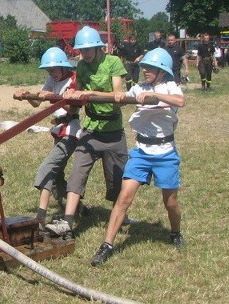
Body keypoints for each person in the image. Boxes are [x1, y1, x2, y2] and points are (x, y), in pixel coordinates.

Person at [90, 48, 186, 266]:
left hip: (165, 153)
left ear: (162, 71)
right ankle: (107, 244)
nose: (145, 71)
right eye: (144, 67)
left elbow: (180, 102)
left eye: (150, 68)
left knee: (170, 202)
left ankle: (175, 232)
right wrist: (110, 96)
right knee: (124, 197)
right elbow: (120, 98)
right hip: (141, 152)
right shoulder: (139, 88)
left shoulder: (170, 86)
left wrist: (155, 96)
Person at [45, 26, 132, 239]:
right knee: (77, 174)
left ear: (97, 47)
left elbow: (117, 95)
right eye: (81, 50)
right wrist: (67, 99)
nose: (84, 53)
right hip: (90, 130)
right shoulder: (82, 66)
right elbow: (78, 95)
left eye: (88, 49)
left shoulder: (113, 63)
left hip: (113, 132)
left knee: (116, 180)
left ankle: (119, 215)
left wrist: (89, 92)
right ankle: (67, 222)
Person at [13, 47, 83, 231]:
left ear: (62, 67)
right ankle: (79, 208)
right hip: (58, 129)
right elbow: (38, 101)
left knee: (48, 167)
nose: (50, 74)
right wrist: (26, 94)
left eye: (52, 70)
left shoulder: (74, 80)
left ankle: (40, 218)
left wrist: (52, 96)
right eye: (48, 71)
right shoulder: (52, 79)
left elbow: (72, 108)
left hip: (71, 131)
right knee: (58, 177)